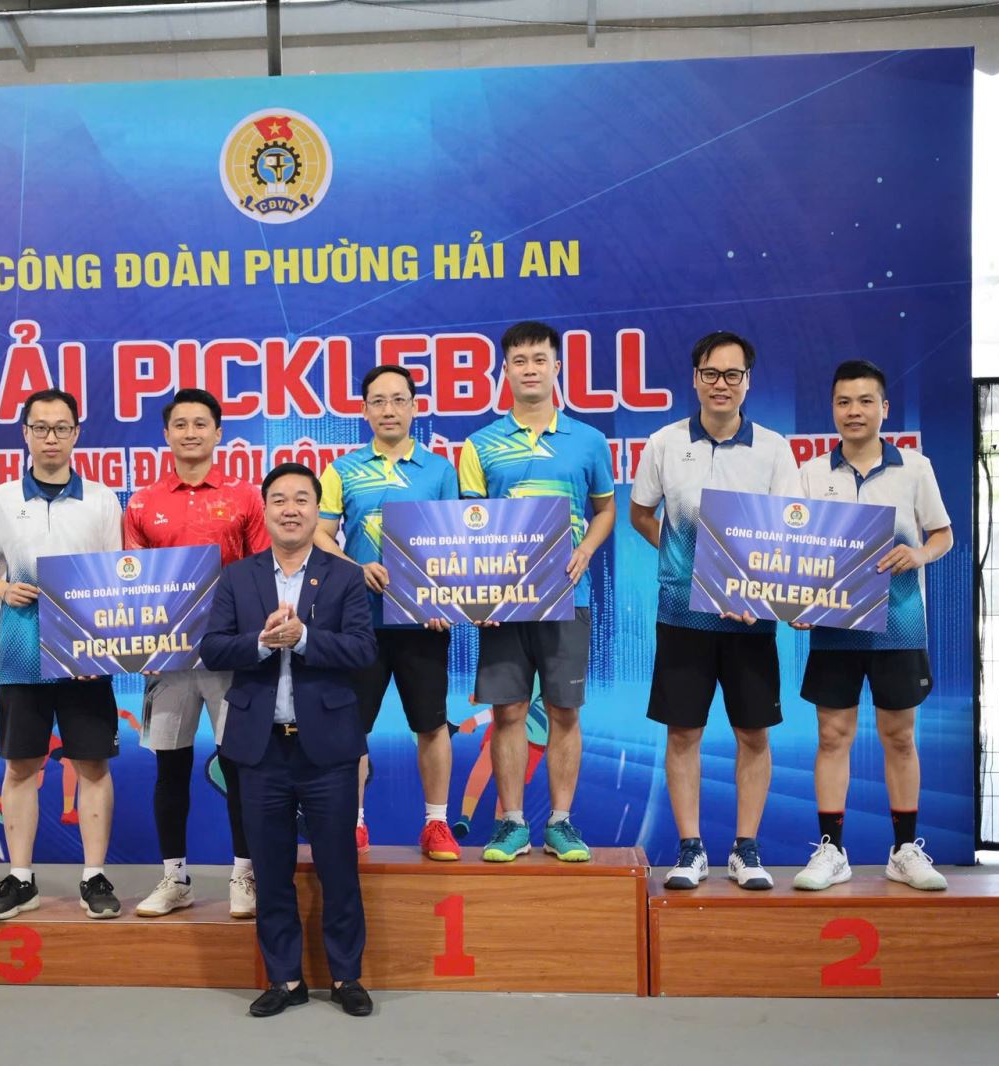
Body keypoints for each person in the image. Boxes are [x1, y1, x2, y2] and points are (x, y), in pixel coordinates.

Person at [201, 463, 378, 1018]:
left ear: (317, 510)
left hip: (327, 749)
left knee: (338, 869)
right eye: (279, 499)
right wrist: (259, 642)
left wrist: (303, 638)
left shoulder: (344, 576)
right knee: (271, 871)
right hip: (260, 750)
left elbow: (362, 650)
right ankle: (285, 980)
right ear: (266, 510)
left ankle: (346, 976)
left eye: (302, 499)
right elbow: (213, 648)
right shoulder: (238, 577)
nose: (291, 509)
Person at [629, 331, 799, 891]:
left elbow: (790, 531)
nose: (720, 384)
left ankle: (746, 850)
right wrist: (686, 562)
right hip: (683, 617)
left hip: (751, 621)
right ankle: (691, 849)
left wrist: (759, 591)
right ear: (695, 377)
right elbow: (640, 513)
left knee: (754, 734)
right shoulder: (664, 442)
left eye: (732, 374)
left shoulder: (773, 449)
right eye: (710, 373)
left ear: (748, 381)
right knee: (684, 733)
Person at [0, 387, 124, 920]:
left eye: (61, 428)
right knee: (21, 765)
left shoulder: (102, 499)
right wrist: (4, 589)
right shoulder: (0, 499)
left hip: (84, 658)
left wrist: (103, 647)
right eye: (40, 427)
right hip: (21, 654)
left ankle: (94, 877)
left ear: (77, 433)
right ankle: (21, 878)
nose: (51, 437)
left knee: (92, 764)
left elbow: (116, 575)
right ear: (25, 433)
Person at [791, 359, 953, 892]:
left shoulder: (915, 468)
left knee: (899, 737)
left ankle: (905, 850)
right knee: (832, 735)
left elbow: (943, 534)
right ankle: (831, 851)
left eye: (865, 401)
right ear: (832, 409)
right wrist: (793, 602)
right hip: (833, 627)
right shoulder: (810, 473)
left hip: (898, 625)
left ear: (884, 408)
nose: (853, 411)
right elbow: (792, 551)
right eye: (844, 402)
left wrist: (919, 553)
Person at [457, 320, 616, 864]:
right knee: (508, 712)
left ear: (556, 367)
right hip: (503, 604)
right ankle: (511, 823)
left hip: (568, 595)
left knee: (564, 712)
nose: (530, 369)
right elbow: (471, 528)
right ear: (505, 371)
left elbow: (606, 510)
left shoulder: (588, 441)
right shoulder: (480, 445)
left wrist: (585, 549)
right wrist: (480, 596)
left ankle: (561, 823)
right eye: (519, 361)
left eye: (539, 359)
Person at [123, 389, 268, 919]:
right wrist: (143, 645)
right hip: (168, 661)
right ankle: (175, 877)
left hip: (230, 655)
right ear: (166, 435)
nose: (190, 432)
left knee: (239, 766)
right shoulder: (142, 503)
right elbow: (134, 586)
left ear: (218, 432)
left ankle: (244, 874)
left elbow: (261, 574)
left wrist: (250, 642)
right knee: (171, 769)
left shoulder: (246, 496)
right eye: (180, 424)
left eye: (200, 423)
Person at [315, 364, 461, 860]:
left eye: (399, 399)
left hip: (423, 620)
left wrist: (442, 599)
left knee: (432, 724)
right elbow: (320, 535)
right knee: (353, 727)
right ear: (364, 411)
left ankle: (436, 824)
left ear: (415, 407)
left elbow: (454, 543)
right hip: (359, 622)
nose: (389, 409)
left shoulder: (440, 470)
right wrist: (355, 568)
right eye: (378, 401)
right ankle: (354, 822)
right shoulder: (342, 469)